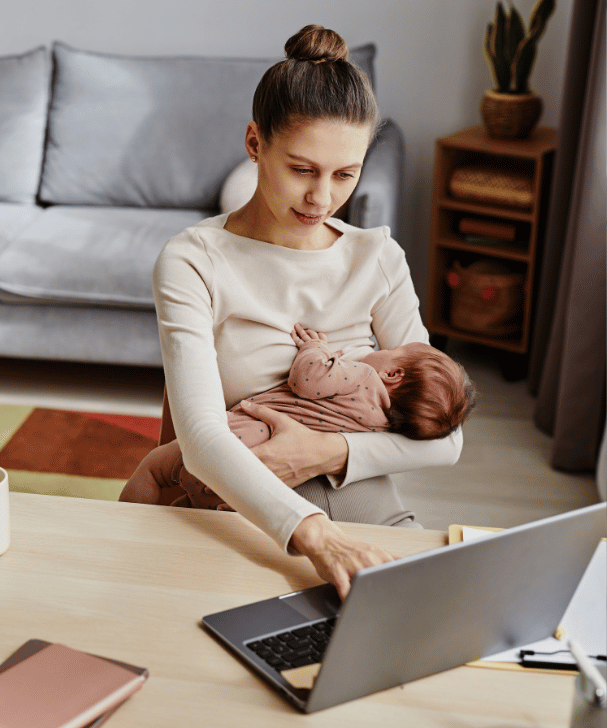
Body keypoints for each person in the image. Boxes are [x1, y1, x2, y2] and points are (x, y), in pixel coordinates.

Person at [119, 24, 463, 599]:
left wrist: (327, 452)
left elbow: (447, 440)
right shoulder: (194, 260)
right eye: (302, 170)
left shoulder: (376, 258)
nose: (322, 198)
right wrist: (314, 535)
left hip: (366, 512)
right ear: (255, 143)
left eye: (345, 174)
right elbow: (202, 438)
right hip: (246, 523)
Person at [124, 323, 476, 511]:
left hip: (240, 441)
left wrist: (315, 349)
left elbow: (307, 380)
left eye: (389, 351)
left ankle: (119, 529)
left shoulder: (364, 377)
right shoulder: (379, 425)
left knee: (155, 468)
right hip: (254, 488)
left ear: (393, 375)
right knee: (192, 506)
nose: (377, 350)